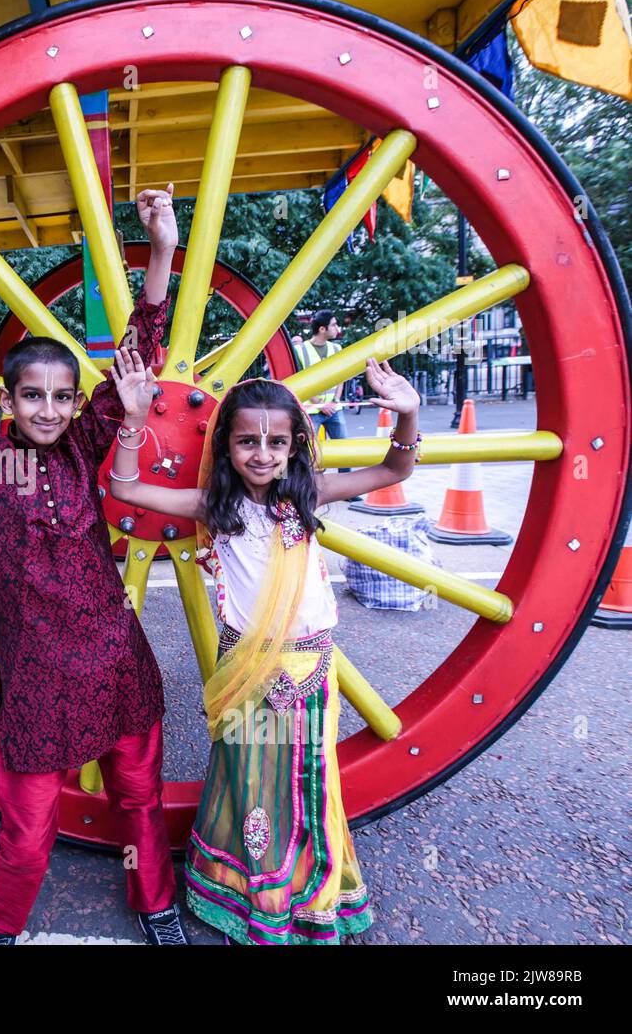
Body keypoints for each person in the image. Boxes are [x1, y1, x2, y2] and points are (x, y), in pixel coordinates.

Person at [0, 176, 187, 946]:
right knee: (27, 830)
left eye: (64, 397)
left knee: (140, 801)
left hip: (118, 663)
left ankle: (156, 905)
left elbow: (138, 351)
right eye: (35, 397)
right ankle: (1, 931)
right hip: (34, 679)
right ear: (7, 399)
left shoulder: (87, 444)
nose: (52, 411)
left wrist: (161, 250)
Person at [107, 353, 422, 944]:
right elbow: (124, 487)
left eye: (278, 442)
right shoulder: (214, 510)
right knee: (247, 780)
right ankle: (251, 892)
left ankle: (310, 894)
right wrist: (132, 418)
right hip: (246, 667)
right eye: (248, 440)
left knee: (309, 778)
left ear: (296, 446)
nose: (263, 454)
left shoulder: (310, 496)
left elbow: (392, 471)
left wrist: (408, 414)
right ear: (225, 445)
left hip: (309, 667)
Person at [293, 311, 358, 494]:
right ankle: (306, 489)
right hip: (311, 409)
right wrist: (321, 404)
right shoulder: (300, 350)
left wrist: (335, 400)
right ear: (322, 329)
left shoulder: (336, 349)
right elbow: (300, 380)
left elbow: (341, 376)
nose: (337, 328)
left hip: (333, 408)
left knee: (343, 448)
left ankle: (347, 490)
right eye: (334, 324)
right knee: (306, 451)